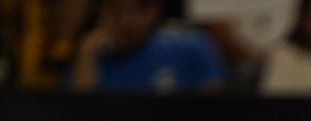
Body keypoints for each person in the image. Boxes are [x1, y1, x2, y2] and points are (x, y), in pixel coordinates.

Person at [67, 0, 227, 93]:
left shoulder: (191, 46)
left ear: (153, 10)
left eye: (136, 11)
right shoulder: (91, 56)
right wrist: (86, 55)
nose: (125, 22)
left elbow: (217, 112)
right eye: (116, 12)